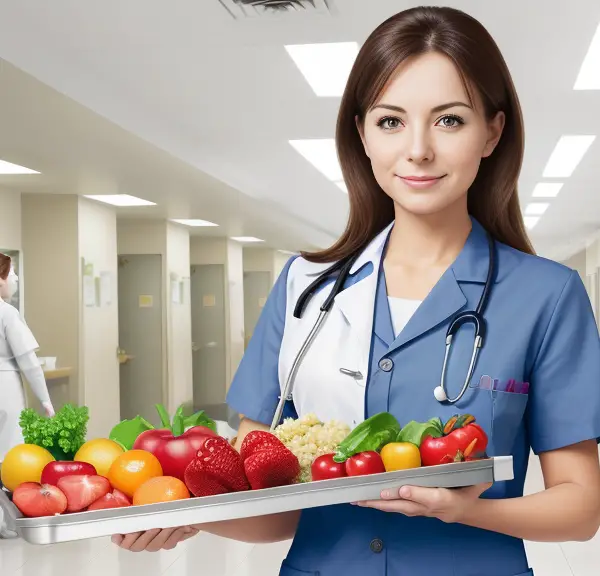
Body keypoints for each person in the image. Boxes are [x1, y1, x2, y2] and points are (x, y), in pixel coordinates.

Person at [113, 6, 600, 574]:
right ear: (362, 134)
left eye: (449, 120)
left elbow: (581, 508)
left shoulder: (547, 296)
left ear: (492, 131)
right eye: (391, 121)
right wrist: (183, 514)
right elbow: (274, 510)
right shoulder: (305, 291)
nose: (417, 149)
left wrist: (461, 511)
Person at [0, 252, 55, 464]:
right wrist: (45, 400)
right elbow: (29, 362)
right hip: (6, 387)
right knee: (10, 450)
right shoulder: (7, 313)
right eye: (12, 273)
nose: (15, 279)